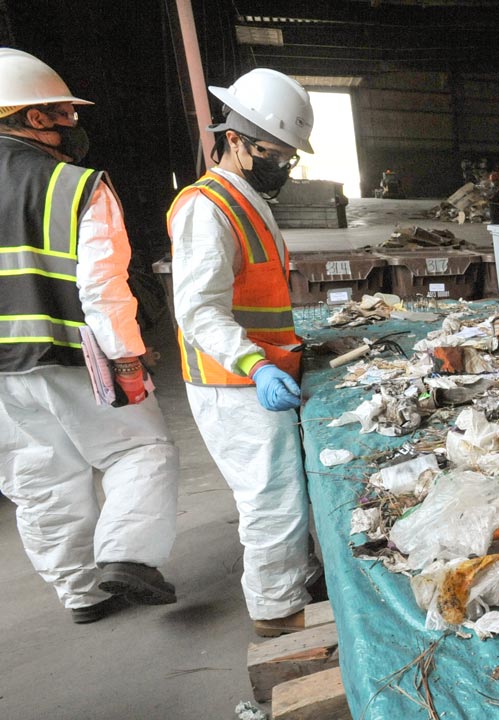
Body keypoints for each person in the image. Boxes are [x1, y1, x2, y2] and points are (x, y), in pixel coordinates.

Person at [0, 48, 179, 623]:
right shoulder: (75, 185)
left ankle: (82, 593)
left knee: (40, 478)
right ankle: (127, 557)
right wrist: (128, 359)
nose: (75, 125)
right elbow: (102, 288)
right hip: (75, 357)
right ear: (34, 117)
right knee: (141, 450)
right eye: (65, 113)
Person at [167, 68, 321, 637]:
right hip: (233, 381)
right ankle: (277, 612)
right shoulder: (206, 208)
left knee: (283, 491)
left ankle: (297, 578)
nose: (281, 164)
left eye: (287, 155)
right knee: (271, 500)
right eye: (272, 152)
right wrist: (255, 364)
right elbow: (199, 310)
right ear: (234, 140)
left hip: (258, 372)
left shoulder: (247, 197)